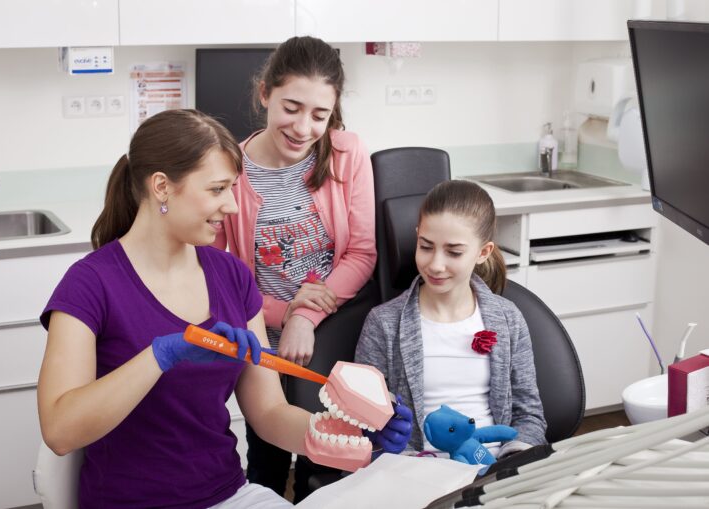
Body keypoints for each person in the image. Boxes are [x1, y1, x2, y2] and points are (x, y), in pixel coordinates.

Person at [37, 109, 407, 508]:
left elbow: (269, 413)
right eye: (217, 189)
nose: (231, 206)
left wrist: (351, 438)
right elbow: (60, 431)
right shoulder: (90, 283)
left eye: (233, 188)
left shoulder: (232, 276)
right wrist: (160, 356)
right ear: (162, 186)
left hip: (229, 494)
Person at [212, 36, 377, 501]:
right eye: (291, 107)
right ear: (264, 93)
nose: (304, 128)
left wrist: (304, 316)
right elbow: (218, 275)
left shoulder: (347, 153)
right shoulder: (230, 169)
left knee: (326, 462)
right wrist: (283, 314)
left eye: (320, 115)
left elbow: (362, 253)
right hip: (263, 338)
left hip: (334, 331)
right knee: (265, 458)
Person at [355, 180, 547, 460]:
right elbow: (362, 417)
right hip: (415, 471)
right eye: (426, 246)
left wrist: (510, 462)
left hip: (494, 466)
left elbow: (529, 414)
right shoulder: (383, 323)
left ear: (483, 252)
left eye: (454, 252)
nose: (435, 265)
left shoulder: (508, 319)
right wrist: (393, 452)